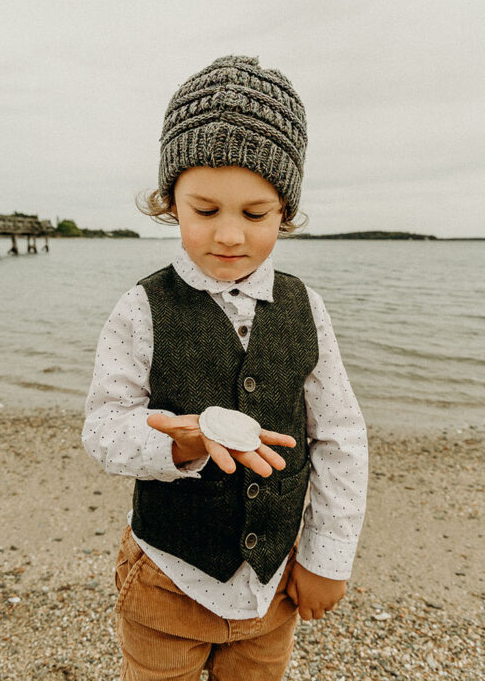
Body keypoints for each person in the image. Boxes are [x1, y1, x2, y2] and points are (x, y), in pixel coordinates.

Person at [82, 56, 367, 680]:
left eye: (255, 214)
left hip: (273, 587)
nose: (230, 235)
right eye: (205, 211)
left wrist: (329, 558)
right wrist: (180, 442)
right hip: (167, 576)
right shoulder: (142, 307)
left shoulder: (305, 308)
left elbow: (341, 435)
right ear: (169, 203)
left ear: (285, 211)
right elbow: (104, 429)